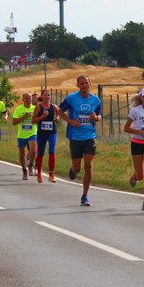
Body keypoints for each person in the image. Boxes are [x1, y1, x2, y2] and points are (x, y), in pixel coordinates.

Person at [59, 74, 101, 206]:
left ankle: (85, 195)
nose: (84, 85)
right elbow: (60, 111)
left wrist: (96, 118)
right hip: (75, 137)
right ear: (78, 85)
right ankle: (73, 170)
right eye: (81, 83)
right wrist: (70, 121)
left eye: (86, 83)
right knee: (78, 168)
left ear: (90, 84)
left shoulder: (95, 100)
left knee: (88, 165)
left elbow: (99, 115)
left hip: (89, 136)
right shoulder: (71, 98)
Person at [32, 89, 60, 183]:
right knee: (40, 153)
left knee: (52, 150)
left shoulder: (54, 107)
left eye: (49, 95)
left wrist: (57, 118)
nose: (47, 97)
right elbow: (33, 121)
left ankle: (51, 174)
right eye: (45, 95)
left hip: (52, 132)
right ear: (42, 96)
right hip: (41, 133)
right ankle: (39, 173)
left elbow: (59, 114)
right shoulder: (38, 107)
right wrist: (43, 116)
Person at [12, 92, 38, 180]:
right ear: (23, 100)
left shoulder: (35, 108)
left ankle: (30, 165)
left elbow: (38, 119)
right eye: (26, 98)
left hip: (32, 133)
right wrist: (24, 117)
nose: (28, 100)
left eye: (30, 98)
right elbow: (14, 122)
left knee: (33, 151)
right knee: (22, 153)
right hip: (22, 135)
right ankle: (24, 170)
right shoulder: (18, 109)